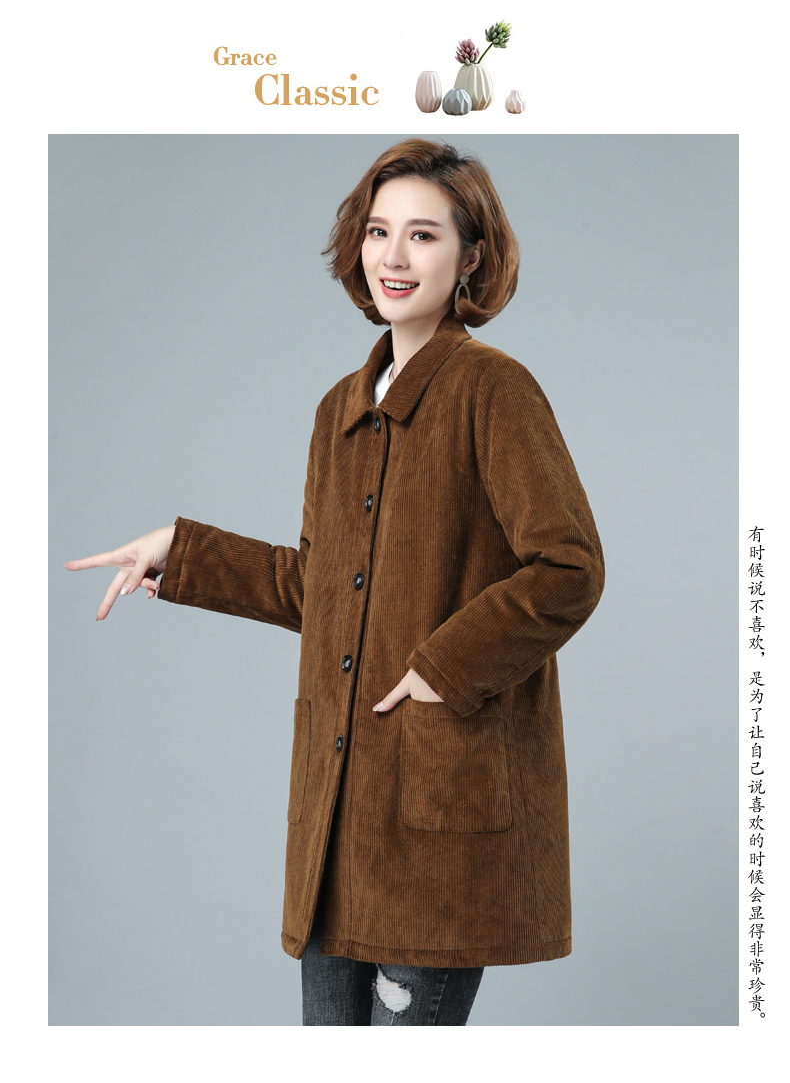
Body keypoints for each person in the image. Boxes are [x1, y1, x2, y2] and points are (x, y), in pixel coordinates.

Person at [66, 138, 605, 1026]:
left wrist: (440, 668)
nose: (394, 256)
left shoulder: (493, 390)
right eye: (379, 231)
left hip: (437, 828)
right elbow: (320, 589)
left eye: (424, 235)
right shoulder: (339, 412)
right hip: (335, 825)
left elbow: (569, 567)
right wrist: (181, 550)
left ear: (471, 255)